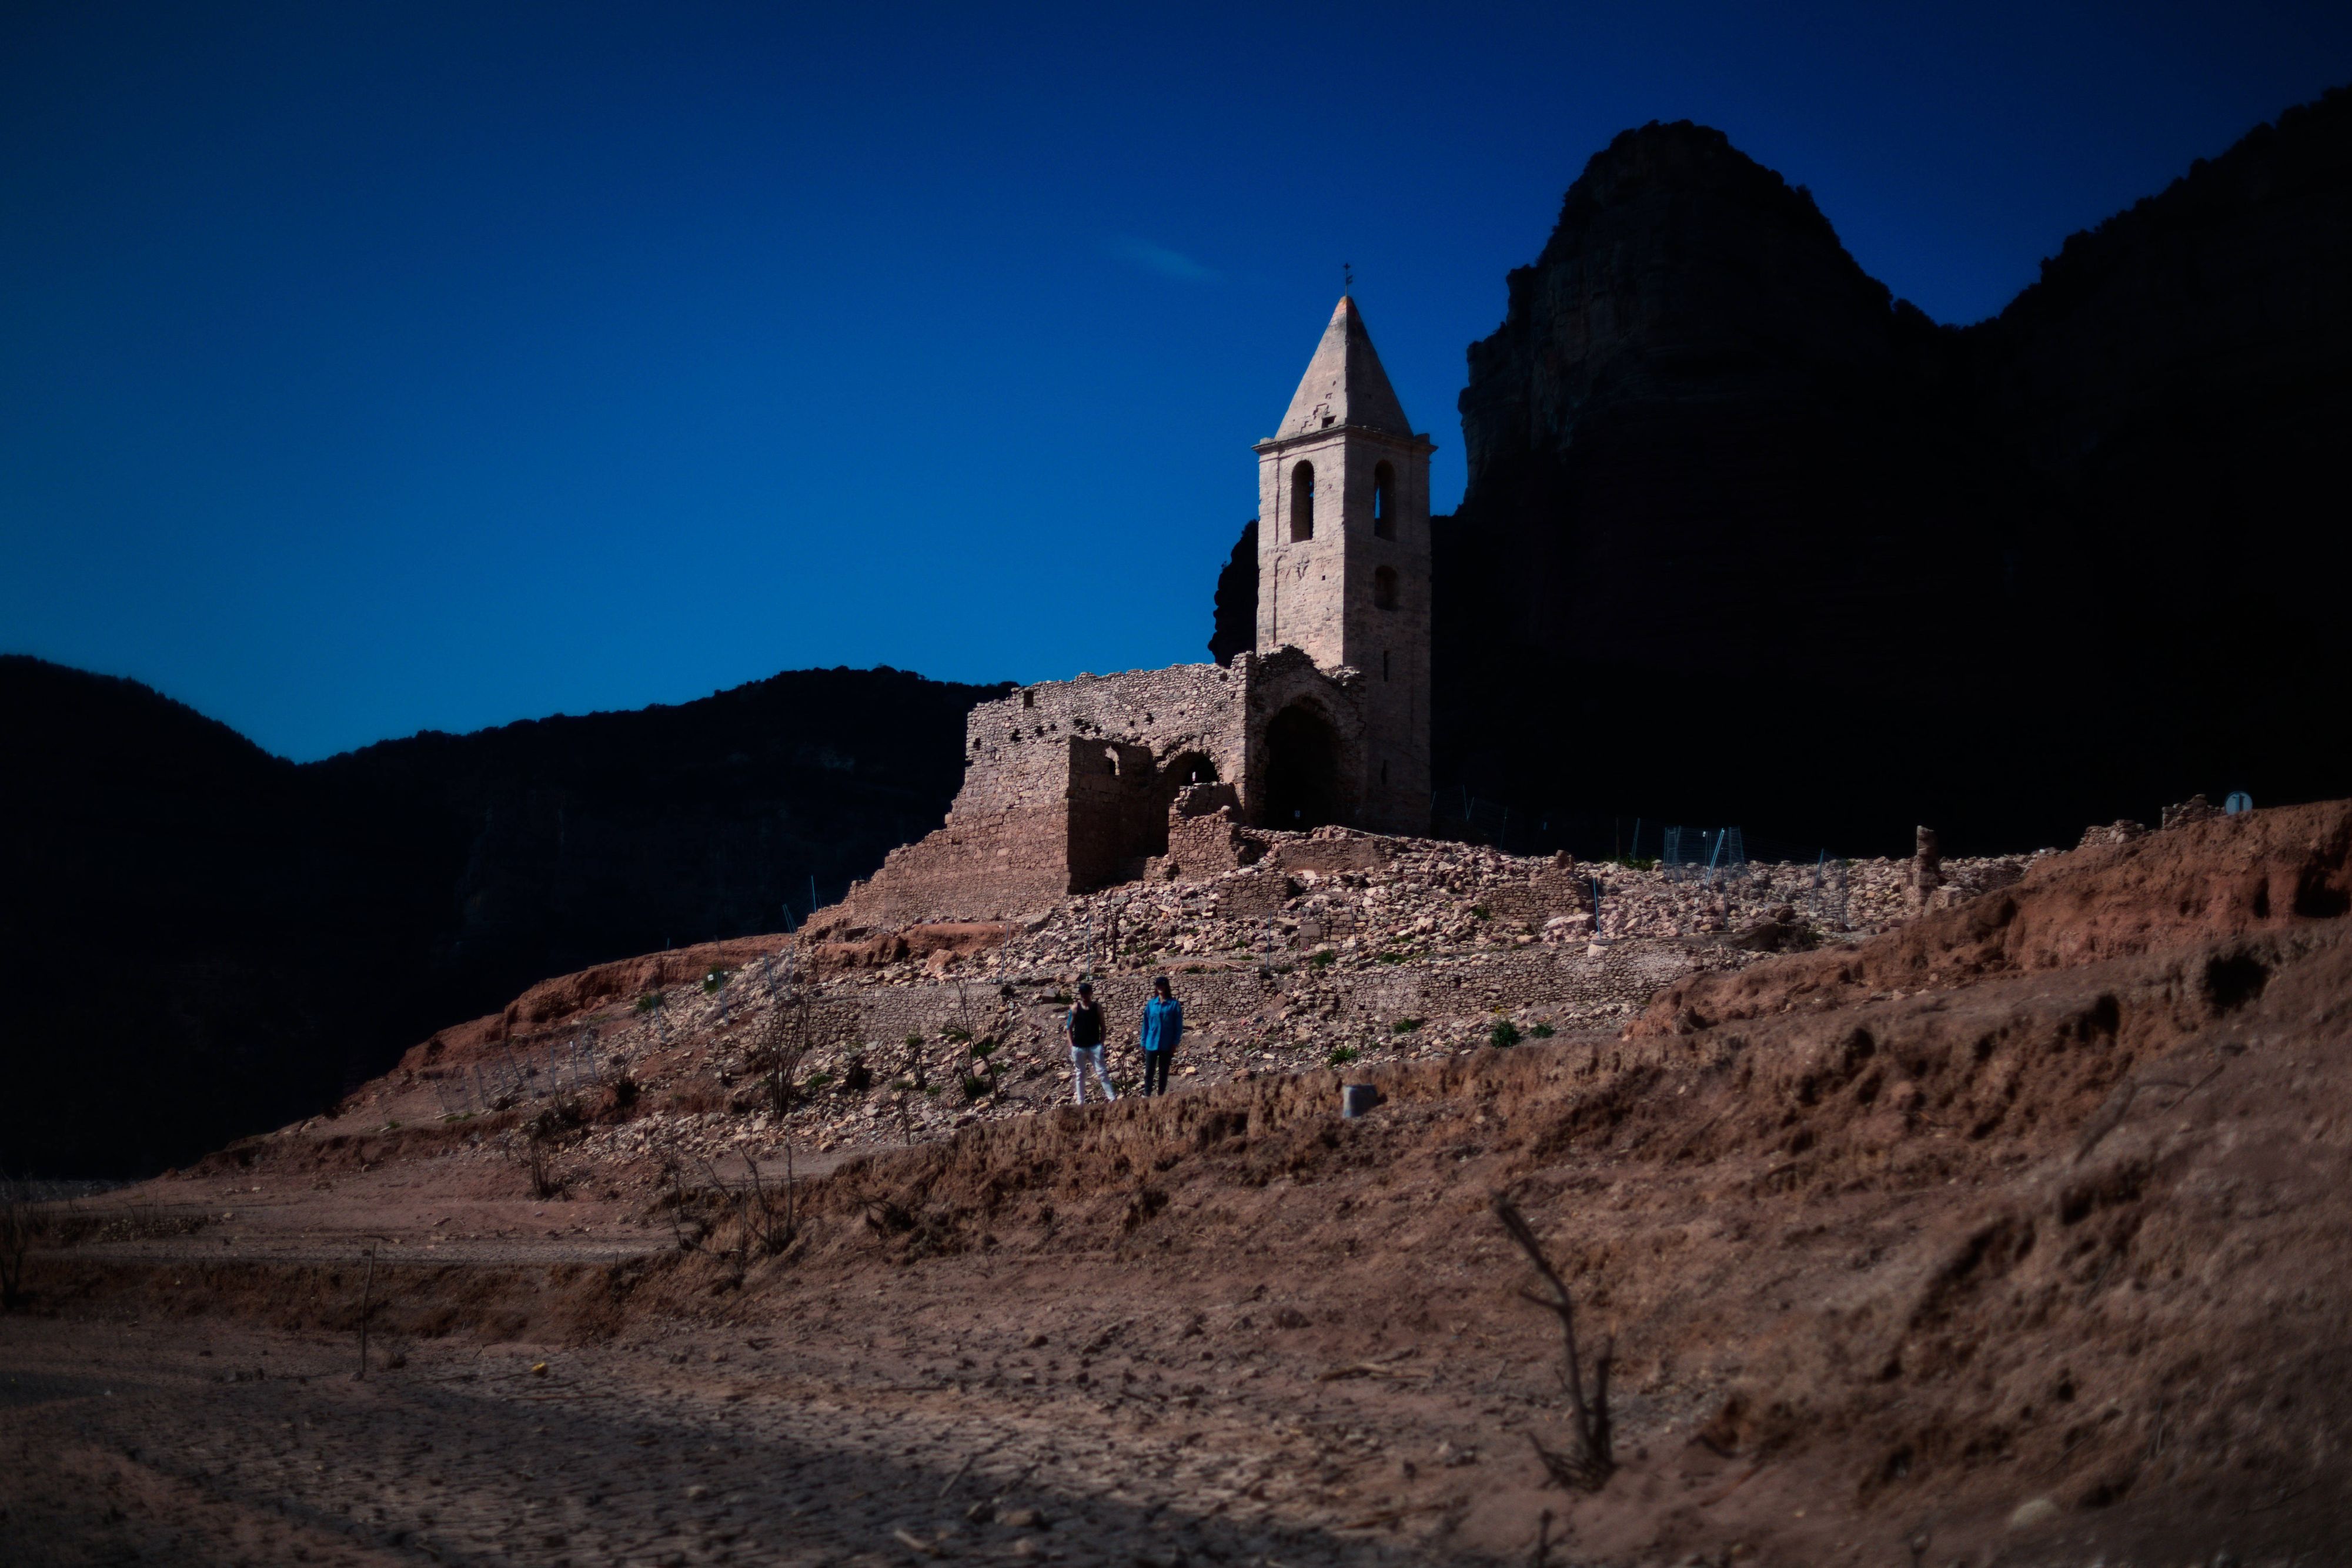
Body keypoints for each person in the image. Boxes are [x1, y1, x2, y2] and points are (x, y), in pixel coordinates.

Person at [1064, 980, 1115, 1104]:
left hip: (1094, 1046)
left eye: (1086, 993)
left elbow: (1103, 1027)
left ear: (1091, 993)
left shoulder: (1097, 1008)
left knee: (1102, 1072)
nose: (1085, 996)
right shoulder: (1075, 1008)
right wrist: (1071, 1044)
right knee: (1080, 1074)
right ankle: (1080, 1102)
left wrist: (1101, 1043)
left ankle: (1112, 1099)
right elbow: (1069, 1027)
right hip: (1079, 1047)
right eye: (1082, 993)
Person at [1137, 974, 1183, 1096]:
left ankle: (1161, 1096)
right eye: (1158, 985)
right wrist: (1143, 1042)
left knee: (1163, 1072)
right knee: (1149, 1072)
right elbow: (1146, 1024)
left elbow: (1178, 1026)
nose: (1160, 987)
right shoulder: (1151, 1004)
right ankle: (1147, 1096)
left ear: (1167, 986)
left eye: (1162, 985)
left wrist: (1175, 1043)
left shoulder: (1174, 1005)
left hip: (1166, 1044)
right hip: (1151, 1042)